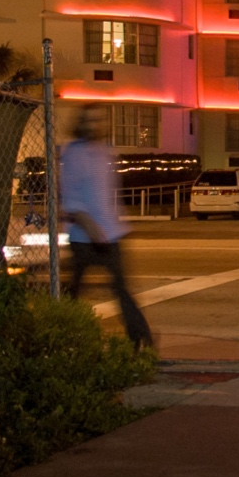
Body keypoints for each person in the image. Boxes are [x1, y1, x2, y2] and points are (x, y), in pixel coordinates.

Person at [61, 104, 153, 350]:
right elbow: (70, 197)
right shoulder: (72, 153)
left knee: (122, 290)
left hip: (111, 235)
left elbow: (108, 195)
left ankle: (141, 341)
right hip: (83, 237)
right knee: (75, 291)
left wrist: (119, 223)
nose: (95, 125)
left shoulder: (105, 152)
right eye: (90, 120)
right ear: (81, 123)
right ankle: (62, 336)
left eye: (99, 120)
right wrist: (89, 224)